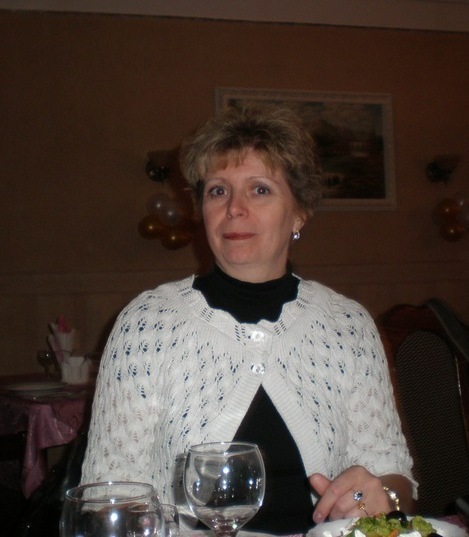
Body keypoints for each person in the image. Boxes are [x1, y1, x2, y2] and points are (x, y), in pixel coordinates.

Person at [80, 105, 416, 534]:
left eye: (259, 190)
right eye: (218, 191)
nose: (235, 208)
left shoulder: (348, 326)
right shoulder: (146, 327)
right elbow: (105, 496)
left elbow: (395, 479)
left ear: (299, 213)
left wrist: (382, 495)